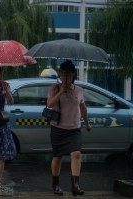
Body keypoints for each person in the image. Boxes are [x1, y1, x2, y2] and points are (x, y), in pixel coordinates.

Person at [46, 60, 92, 196]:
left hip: (74, 129)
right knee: (57, 157)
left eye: (68, 73)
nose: (65, 75)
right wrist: (60, 92)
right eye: (63, 72)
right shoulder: (54, 88)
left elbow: (83, 107)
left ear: (73, 74)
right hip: (58, 128)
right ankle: (55, 185)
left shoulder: (79, 90)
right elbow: (49, 104)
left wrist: (87, 123)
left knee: (76, 154)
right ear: (60, 74)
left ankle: (75, 186)